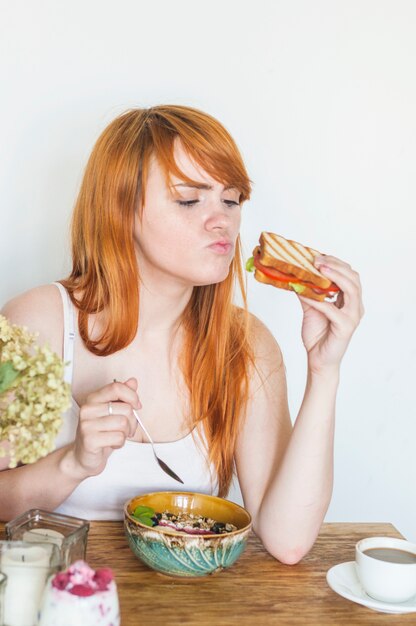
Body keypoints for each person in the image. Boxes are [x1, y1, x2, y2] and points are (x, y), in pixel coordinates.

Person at [0, 105, 364, 564]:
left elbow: (287, 541)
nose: (222, 221)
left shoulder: (246, 345)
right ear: (121, 209)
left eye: (231, 200)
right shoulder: (38, 323)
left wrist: (324, 369)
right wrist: (74, 462)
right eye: (190, 200)